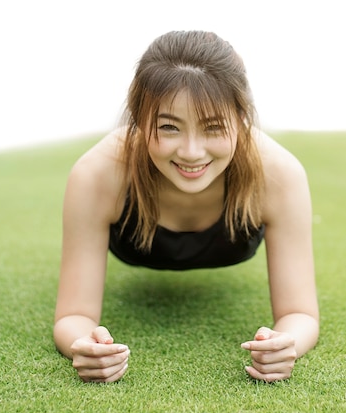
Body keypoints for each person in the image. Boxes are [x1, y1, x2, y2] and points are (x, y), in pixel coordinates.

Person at [53, 30, 319, 383]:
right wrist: (82, 344)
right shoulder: (98, 175)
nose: (192, 152)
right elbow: (72, 315)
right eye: (168, 127)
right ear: (138, 119)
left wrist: (287, 344)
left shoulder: (279, 175)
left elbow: (300, 312)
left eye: (213, 127)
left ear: (243, 118)